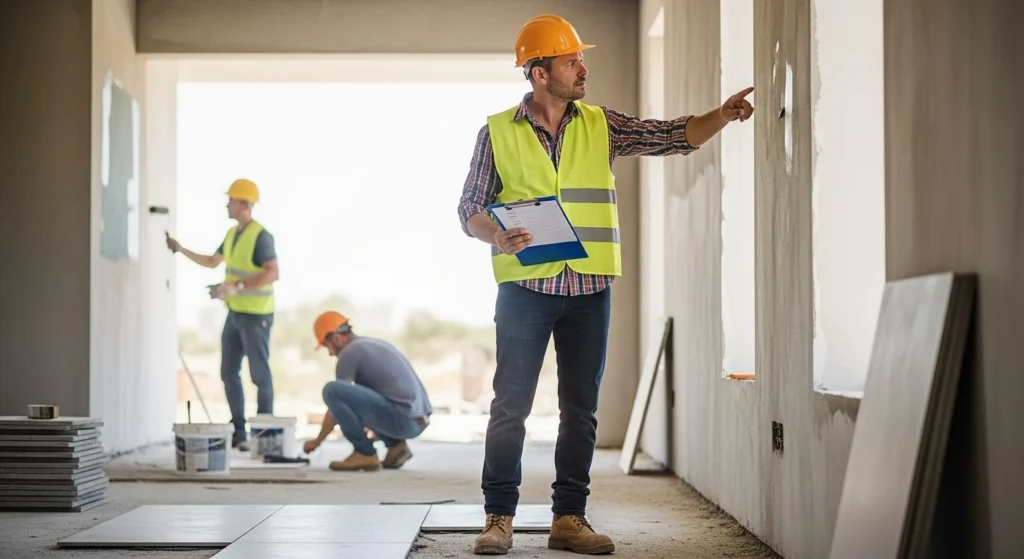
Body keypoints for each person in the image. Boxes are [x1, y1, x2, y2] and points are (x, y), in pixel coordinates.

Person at [457, 14, 754, 556]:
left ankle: (569, 518)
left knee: (581, 409)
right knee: (510, 406)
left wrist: (723, 115)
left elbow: (671, 137)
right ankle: (499, 516)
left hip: (589, 289)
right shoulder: (496, 132)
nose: (582, 67)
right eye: (571, 61)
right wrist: (497, 236)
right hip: (525, 289)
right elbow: (470, 208)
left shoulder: (601, 124)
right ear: (540, 73)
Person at [165, 178, 280, 452]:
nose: (226, 204)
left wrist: (236, 286)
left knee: (259, 375)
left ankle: (264, 433)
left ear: (243, 204)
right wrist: (180, 249)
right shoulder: (232, 235)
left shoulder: (261, 236)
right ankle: (239, 432)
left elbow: (273, 272)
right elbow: (212, 261)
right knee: (228, 372)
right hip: (236, 314)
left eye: (230, 200)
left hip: (257, 316)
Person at [303, 310, 434, 472]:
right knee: (354, 398)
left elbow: (335, 407)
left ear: (336, 338)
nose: (330, 354)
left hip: (404, 420)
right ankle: (396, 447)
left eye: (327, 346)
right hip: (417, 420)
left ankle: (364, 453)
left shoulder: (349, 353)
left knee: (332, 391)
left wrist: (317, 441)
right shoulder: (371, 344)